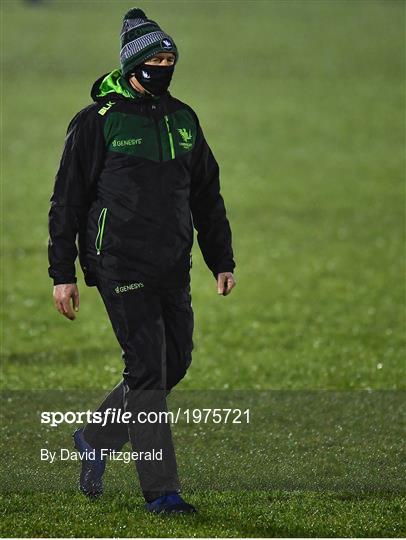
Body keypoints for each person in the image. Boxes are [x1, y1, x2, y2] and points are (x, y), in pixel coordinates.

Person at [48, 7, 236, 514]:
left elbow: (207, 195)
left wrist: (221, 259)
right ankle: (162, 491)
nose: (164, 65)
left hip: (173, 264)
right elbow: (66, 200)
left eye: (170, 57)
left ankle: (95, 436)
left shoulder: (184, 119)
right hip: (119, 265)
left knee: (177, 360)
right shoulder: (97, 122)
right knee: (148, 371)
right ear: (134, 64)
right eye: (156, 57)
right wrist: (62, 273)